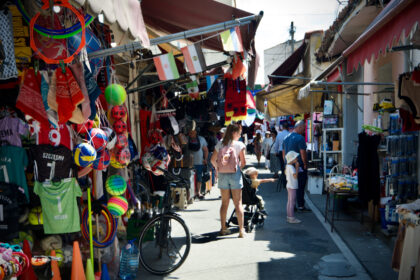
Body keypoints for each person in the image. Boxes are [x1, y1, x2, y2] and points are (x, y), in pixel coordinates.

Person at [210, 123, 246, 238]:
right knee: (238, 203)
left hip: (223, 175)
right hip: (235, 174)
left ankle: (223, 228)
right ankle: (241, 230)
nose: (240, 136)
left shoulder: (220, 144)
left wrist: (218, 168)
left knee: (224, 203)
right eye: (239, 134)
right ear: (234, 133)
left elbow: (212, 160)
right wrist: (238, 168)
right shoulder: (239, 145)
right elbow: (243, 163)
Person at [282, 120, 310, 212]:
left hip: (289, 166)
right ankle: (301, 205)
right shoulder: (300, 138)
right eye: (303, 128)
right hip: (299, 166)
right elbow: (303, 153)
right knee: (300, 186)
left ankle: (292, 205)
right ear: (300, 127)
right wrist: (305, 163)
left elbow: (283, 153)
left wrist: (286, 163)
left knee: (291, 187)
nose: (304, 130)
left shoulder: (286, 138)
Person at [188, 128, 209, 200]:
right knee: (190, 178)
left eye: (192, 132)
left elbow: (205, 150)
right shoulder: (186, 139)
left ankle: (198, 192)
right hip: (189, 163)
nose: (191, 134)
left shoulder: (201, 139)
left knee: (199, 178)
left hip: (199, 162)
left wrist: (205, 159)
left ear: (196, 132)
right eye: (190, 132)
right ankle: (191, 193)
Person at [285, 151, 301, 223]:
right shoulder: (291, 167)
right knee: (292, 202)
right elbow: (295, 176)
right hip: (292, 186)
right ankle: (291, 218)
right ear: (292, 159)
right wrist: (297, 168)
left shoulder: (287, 166)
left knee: (289, 202)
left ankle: (289, 216)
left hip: (289, 185)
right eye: (295, 158)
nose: (297, 159)